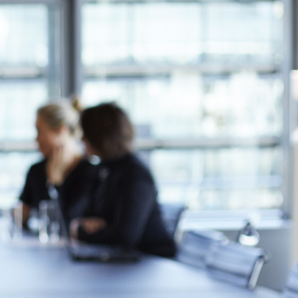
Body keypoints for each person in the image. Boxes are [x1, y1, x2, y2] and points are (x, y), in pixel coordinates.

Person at [69, 102, 177, 257]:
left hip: (151, 262)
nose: (82, 140)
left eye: (86, 134)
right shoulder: (104, 169)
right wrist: (82, 225)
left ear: (99, 136)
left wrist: (79, 233)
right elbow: (81, 215)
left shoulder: (136, 175)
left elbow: (125, 237)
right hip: (123, 261)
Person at [16, 99, 94, 231]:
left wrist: (55, 182)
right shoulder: (36, 170)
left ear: (61, 131)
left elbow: (66, 222)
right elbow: (21, 215)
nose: (36, 139)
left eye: (40, 131)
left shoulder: (91, 171)